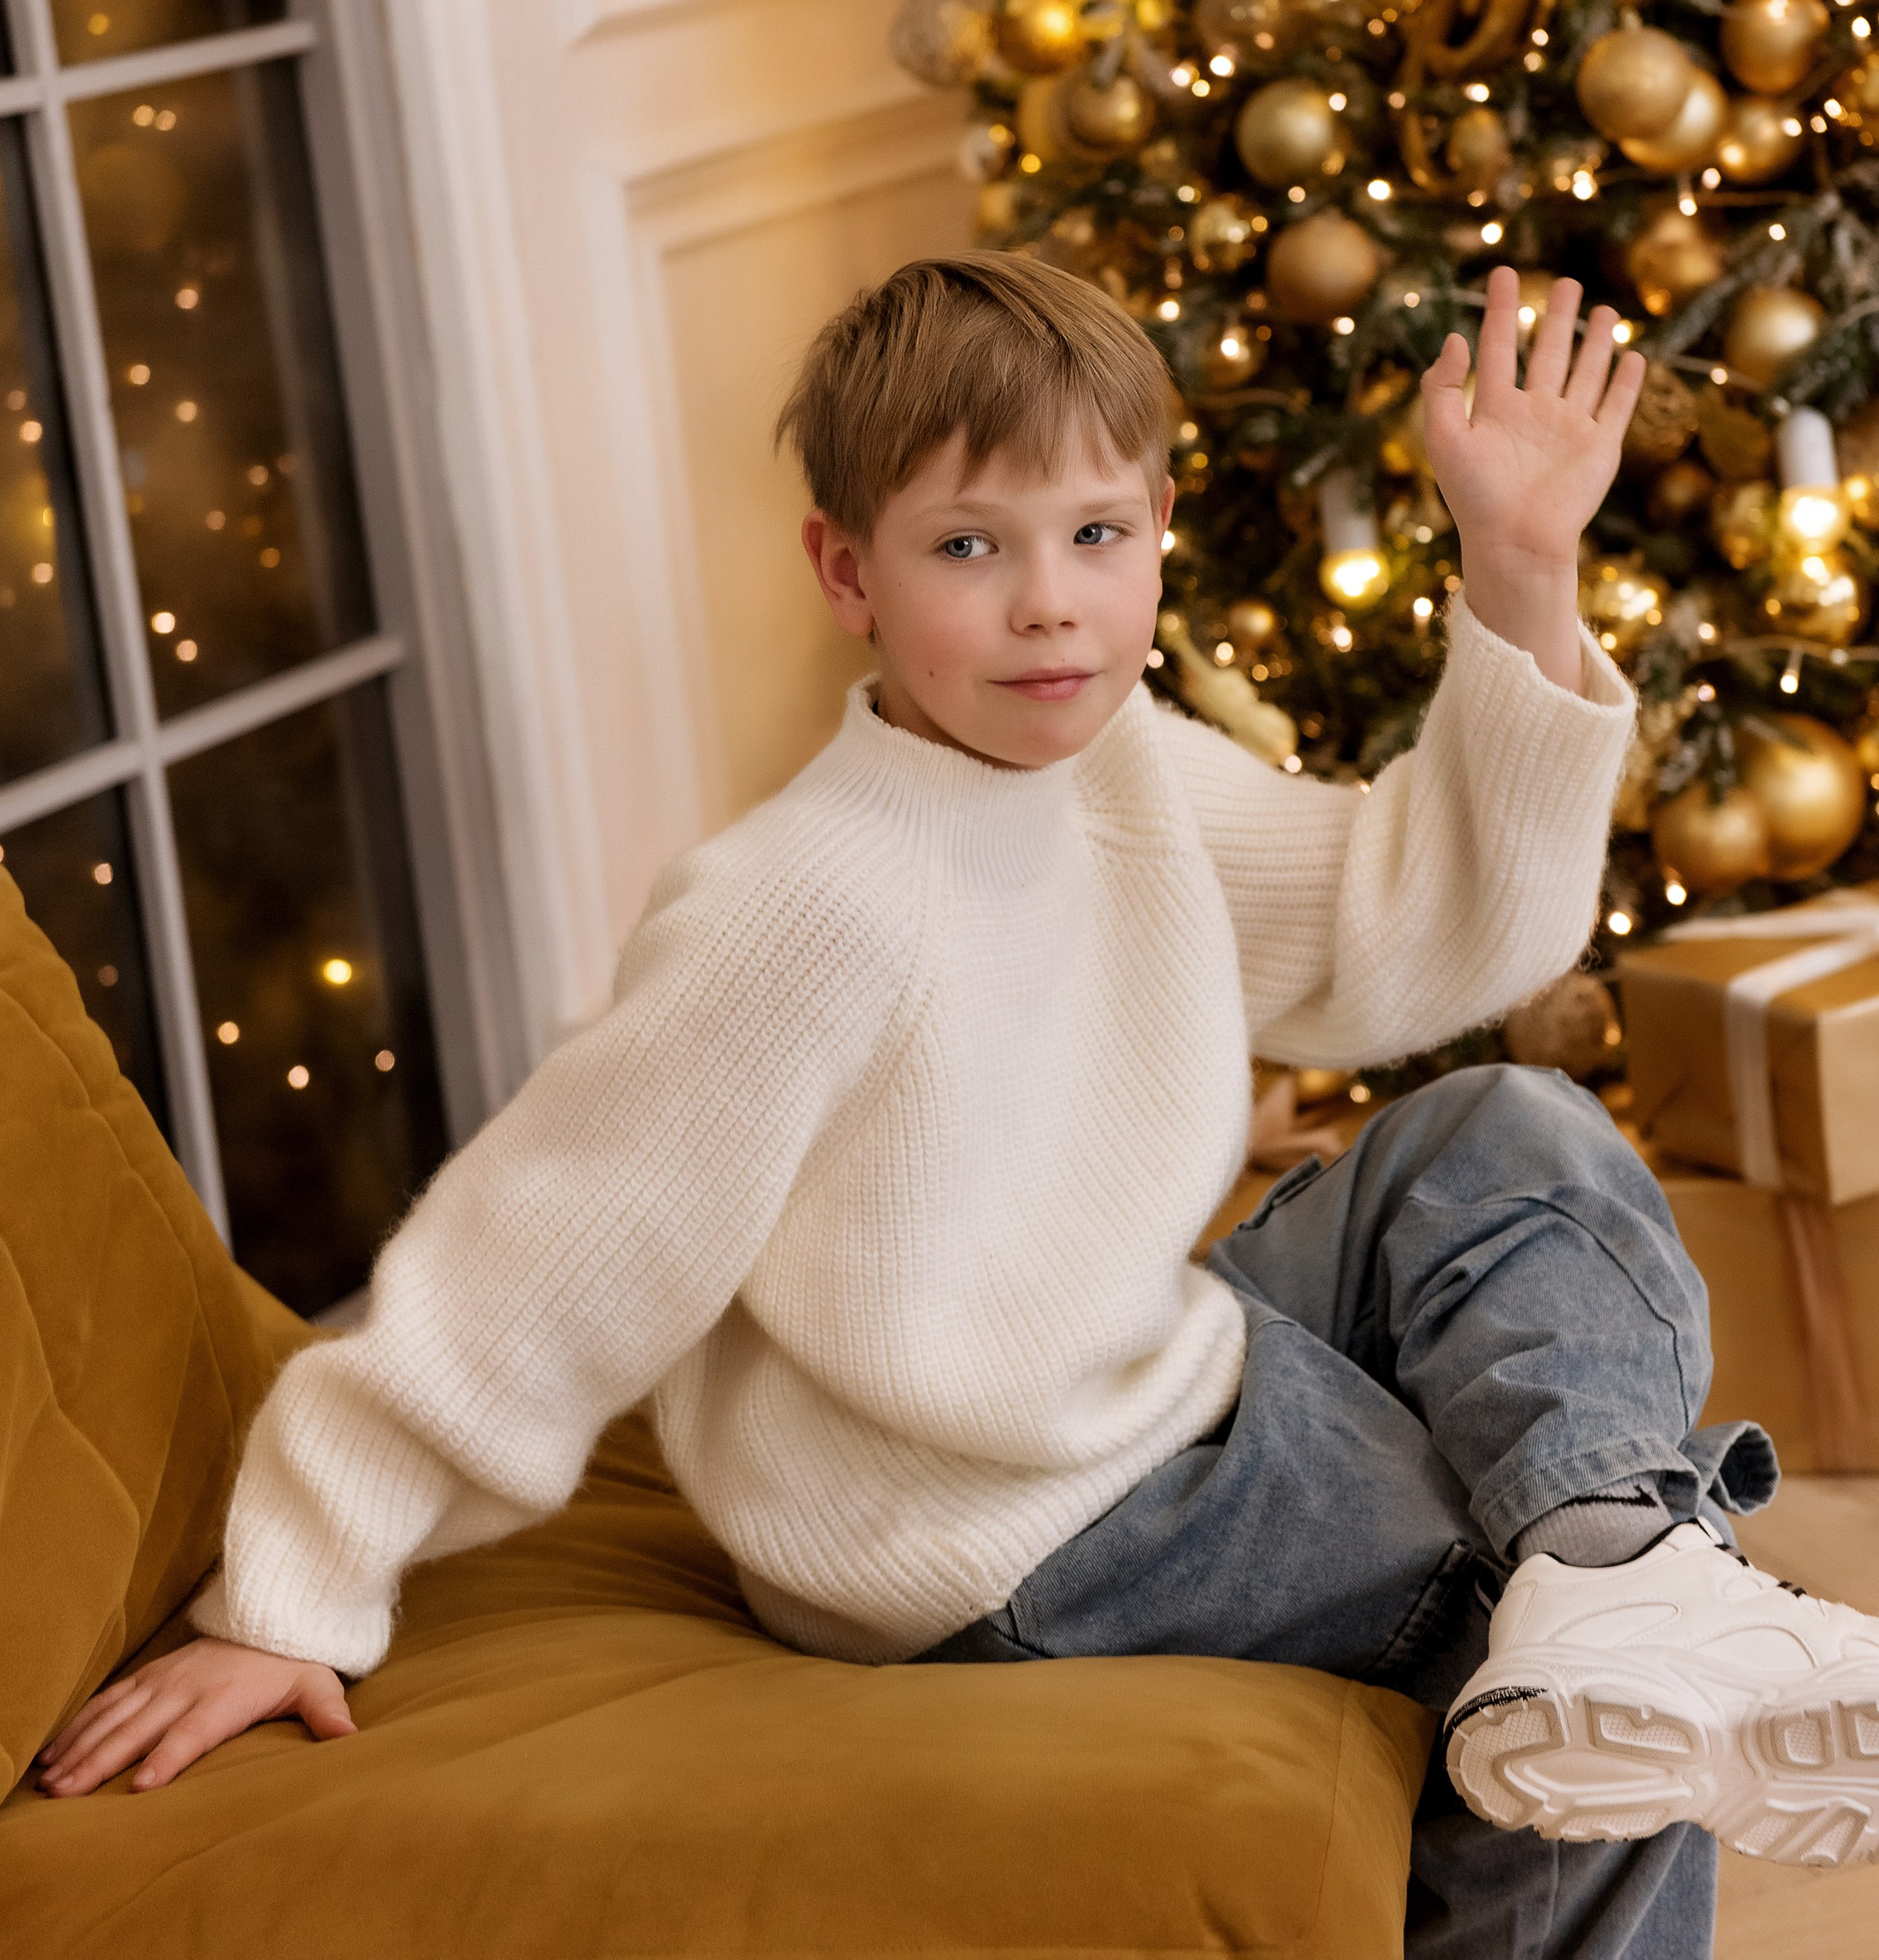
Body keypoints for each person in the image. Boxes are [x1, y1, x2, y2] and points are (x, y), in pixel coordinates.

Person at [35, 255, 1879, 1952]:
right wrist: (290, 1590)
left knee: (1502, 1134)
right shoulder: (808, 903)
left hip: (1132, 1360)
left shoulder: (1129, 769)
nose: (1047, 603)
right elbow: (540, 1262)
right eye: (965, 549)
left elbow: (1428, 927)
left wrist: (1516, 570)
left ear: (1159, 535)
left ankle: (1615, 1558)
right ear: (848, 573)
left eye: (1092, 531)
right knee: (1578, 1704)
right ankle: (1607, 1605)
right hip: (996, 1511)